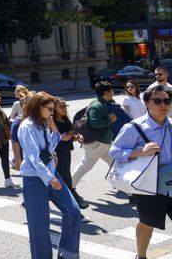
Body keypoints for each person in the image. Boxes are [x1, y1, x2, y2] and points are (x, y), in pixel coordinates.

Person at [110, 84, 172, 259]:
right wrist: (140, 152)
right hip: (148, 185)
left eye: (167, 101)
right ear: (146, 103)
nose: (163, 105)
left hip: (171, 182)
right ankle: (141, 256)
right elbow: (114, 151)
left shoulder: (171, 125)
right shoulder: (134, 127)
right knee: (147, 223)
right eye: (158, 101)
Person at [19, 93, 81, 259]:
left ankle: (67, 254)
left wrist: (54, 131)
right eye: (49, 109)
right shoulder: (26, 127)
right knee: (39, 227)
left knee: (73, 211)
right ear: (38, 107)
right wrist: (49, 177)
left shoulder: (45, 123)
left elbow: (49, 147)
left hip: (51, 174)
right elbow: (33, 157)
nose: (52, 113)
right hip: (34, 178)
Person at [71, 81, 116, 208]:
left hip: (103, 143)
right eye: (111, 91)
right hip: (97, 144)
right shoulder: (97, 105)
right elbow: (95, 123)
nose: (113, 93)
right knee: (85, 166)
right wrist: (109, 119)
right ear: (106, 92)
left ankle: (126, 189)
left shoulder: (100, 103)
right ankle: (70, 186)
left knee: (115, 163)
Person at [52, 97, 81, 198]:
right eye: (61, 106)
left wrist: (76, 137)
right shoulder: (51, 121)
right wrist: (61, 138)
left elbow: (70, 135)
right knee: (63, 176)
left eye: (65, 106)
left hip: (66, 150)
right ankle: (73, 198)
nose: (64, 108)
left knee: (63, 175)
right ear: (54, 108)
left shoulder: (65, 119)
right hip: (56, 152)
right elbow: (48, 138)